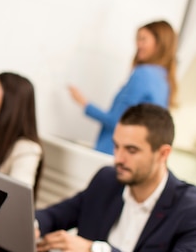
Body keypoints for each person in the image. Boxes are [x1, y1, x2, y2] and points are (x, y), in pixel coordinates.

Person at [35, 103, 196, 252]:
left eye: (131, 150)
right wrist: (33, 224)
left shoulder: (189, 207)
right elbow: (57, 215)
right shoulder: (107, 180)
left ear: (163, 154)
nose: (118, 158)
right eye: (116, 146)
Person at [68, 20, 177, 155]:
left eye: (143, 39)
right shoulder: (164, 78)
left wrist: (84, 104)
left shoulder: (143, 74)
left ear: (159, 43)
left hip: (112, 151)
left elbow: (118, 121)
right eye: (138, 39)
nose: (138, 45)